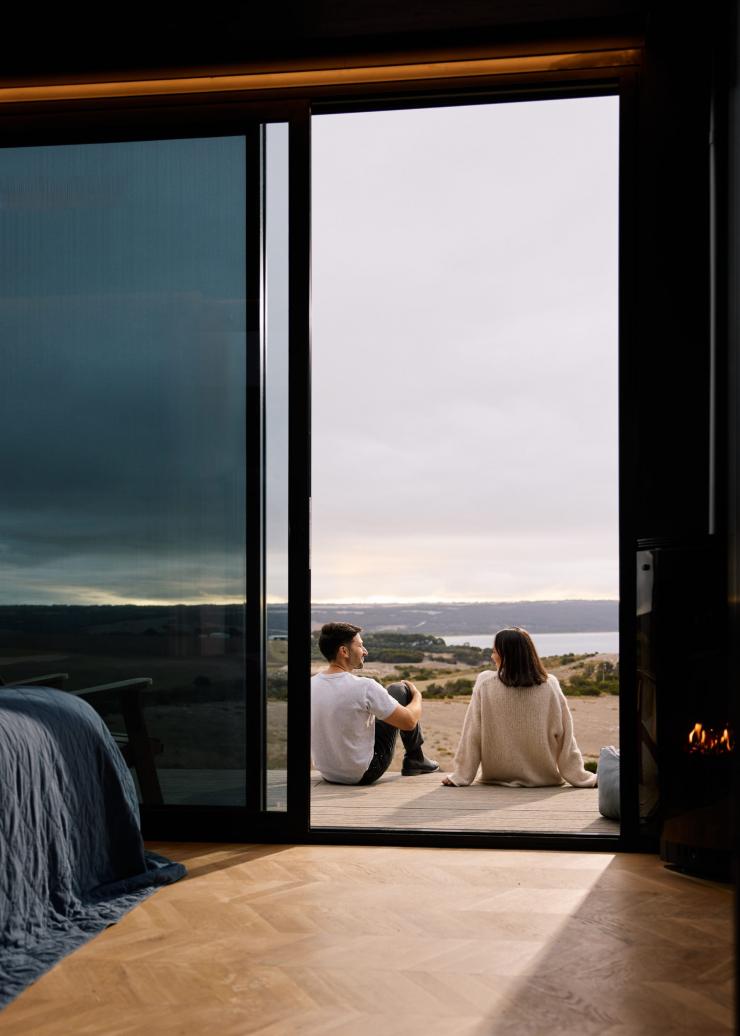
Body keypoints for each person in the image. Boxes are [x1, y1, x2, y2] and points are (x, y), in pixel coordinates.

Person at [441, 627, 597, 788]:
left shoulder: (485, 683)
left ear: (506, 655)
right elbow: (565, 736)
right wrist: (579, 776)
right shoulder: (550, 684)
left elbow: (471, 733)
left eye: (494, 651)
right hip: (543, 780)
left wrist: (461, 775)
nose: (492, 656)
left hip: (494, 779)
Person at [311, 621, 439, 784]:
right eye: (360, 646)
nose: (365, 651)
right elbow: (409, 722)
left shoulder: (311, 685)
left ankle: (416, 759)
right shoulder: (364, 686)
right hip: (364, 772)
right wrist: (416, 696)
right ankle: (416, 758)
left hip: (329, 773)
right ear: (344, 651)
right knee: (398, 689)